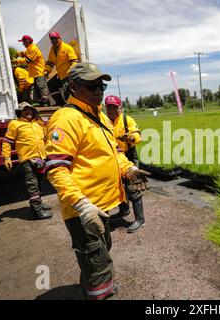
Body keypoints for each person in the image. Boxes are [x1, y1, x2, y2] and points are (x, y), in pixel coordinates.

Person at [45, 63, 150, 300]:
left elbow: (114, 152)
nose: (98, 91)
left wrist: (131, 170)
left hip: (101, 207)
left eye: (101, 85)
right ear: (73, 86)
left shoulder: (99, 116)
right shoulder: (66, 119)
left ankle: (97, 287)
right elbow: (56, 170)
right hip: (84, 210)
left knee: (100, 255)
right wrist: (81, 205)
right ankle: (101, 293)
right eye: (91, 85)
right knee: (96, 260)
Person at [2, 102, 52, 220]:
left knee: (40, 182)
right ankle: (37, 211)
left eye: (30, 110)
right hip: (27, 160)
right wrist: (7, 157)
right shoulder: (15, 124)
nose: (28, 112)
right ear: (20, 113)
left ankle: (39, 203)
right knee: (32, 185)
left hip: (41, 158)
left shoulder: (39, 123)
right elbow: (7, 142)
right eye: (25, 110)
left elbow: (46, 139)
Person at [104, 95, 146, 233]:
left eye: (114, 107)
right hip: (112, 157)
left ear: (120, 107)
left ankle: (140, 219)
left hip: (128, 157)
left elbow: (138, 136)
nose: (111, 110)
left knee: (132, 188)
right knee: (117, 185)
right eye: (109, 107)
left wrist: (131, 137)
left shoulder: (127, 120)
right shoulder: (103, 121)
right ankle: (124, 210)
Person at [44, 31, 79, 106]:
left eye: (55, 39)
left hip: (68, 74)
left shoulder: (67, 48)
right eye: (52, 39)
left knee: (66, 90)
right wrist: (46, 71)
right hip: (60, 75)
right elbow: (50, 62)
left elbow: (74, 61)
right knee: (51, 84)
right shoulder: (52, 50)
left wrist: (71, 72)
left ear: (60, 38)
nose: (54, 41)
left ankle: (69, 105)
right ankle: (60, 102)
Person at [14, 35, 49, 107]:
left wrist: (17, 60)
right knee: (36, 88)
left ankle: (46, 102)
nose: (22, 44)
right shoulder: (29, 49)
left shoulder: (33, 48)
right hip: (35, 73)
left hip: (39, 72)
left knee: (41, 87)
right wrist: (18, 53)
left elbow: (29, 60)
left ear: (27, 41)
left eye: (23, 42)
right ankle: (37, 102)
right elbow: (24, 53)